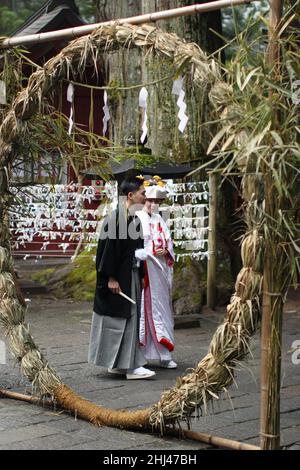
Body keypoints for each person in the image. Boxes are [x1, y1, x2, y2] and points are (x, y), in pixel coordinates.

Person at [88, 175, 156, 379]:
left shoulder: (133, 219)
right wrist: (110, 278)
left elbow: (131, 250)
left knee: (129, 319)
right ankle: (132, 367)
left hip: (130, 273)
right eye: (143, 193)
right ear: (130, 195)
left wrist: (140, 259)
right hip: (119, 277)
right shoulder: (117, 219)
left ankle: (118, 364)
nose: (146, 197)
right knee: (124, 318)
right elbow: (107, 251)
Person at [135, 176, 177, 369]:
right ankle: (141, 355)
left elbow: (168, 241)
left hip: (159, 269)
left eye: (156, 201)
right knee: (144, 310)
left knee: (161, 309)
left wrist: (166, 250)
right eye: (149, 200)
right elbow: (137, 245)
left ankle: (165, 353)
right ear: (144, 200)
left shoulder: (160, 219)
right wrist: (151, 250)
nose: (152, 204)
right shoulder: (137, 218)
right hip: (144, 269)